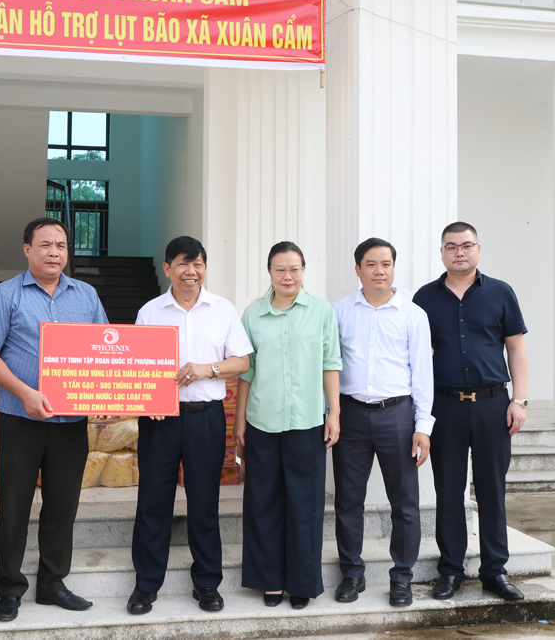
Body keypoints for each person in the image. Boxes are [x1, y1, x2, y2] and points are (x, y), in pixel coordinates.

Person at [0, 218, 108, 623]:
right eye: (45, 244)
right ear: (27, 249)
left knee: (62, 506)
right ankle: (10, 588)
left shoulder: (86, 295)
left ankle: (52, 584)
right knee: (13, 506)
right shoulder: (4, 295)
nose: (54, 252)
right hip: (20, 419)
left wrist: (103, 395)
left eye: (61, 245)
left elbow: (102, 351)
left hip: (71, 423)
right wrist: (25, 393)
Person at [128, 236, 252, 615]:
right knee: (153, 501)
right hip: (159, 420)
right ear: (168, 268)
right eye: (183, 263)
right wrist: (147, 400)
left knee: (204, 502)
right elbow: (136, 364)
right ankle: (146, 585)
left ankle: (207, 583)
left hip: (206, 418)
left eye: (198, 263)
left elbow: (242, 361)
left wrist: (206, 369)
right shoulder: (150, 311)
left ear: (205, 268)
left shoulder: (222, 309)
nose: (191, 271)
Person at [413, 222, 528, 601]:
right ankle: (451, 570)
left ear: (478, 249)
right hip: (445, 405)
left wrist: (519, 400)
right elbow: (415, 356)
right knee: (448, 491)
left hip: (493, 405)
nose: (459, 252)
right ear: (442, 253)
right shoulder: (424, 298)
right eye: (451, 246)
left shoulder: (500, 292)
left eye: (466, 245)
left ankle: (494, 571)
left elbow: (516, 348)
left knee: (492, 490)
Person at [235, 241, 341, 610]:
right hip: (262, 421)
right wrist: (239, 420)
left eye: (294, 269)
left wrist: (334, 413)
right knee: (262, 502)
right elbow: (246, 371)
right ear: (269, 272)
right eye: (280, 269)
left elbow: (330, 362)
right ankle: (269, 580)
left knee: (305, 505)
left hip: (308, 422)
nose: (287, 276)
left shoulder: (321, 311)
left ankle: (301, 582)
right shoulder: (253, 314)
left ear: (303, 271)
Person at [332, 238, 434, 608]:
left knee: (405, 502)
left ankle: (402, 577)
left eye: (386, 264)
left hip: (398, 416)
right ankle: (352, 573)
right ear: (357, 269)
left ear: (393, 268)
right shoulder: (339, 311)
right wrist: (331, 414)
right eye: (371, 264)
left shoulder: (413, 314)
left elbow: (422, 373)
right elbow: (330, 366)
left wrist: (423, 426)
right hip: (351, 414)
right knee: (348, 500)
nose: (379, 271)